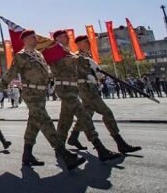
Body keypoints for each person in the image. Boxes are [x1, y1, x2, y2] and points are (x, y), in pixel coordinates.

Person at [1, 30, 85, 169]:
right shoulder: (21, 56)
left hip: (41, 93)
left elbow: (45, 71)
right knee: (46, 122)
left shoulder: (38, 54)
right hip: (30, 93)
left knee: (34, 123)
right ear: (26, 40)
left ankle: (27, 155)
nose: (36, 40)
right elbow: (12, 72)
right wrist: (0, 86)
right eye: (33, 38)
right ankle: (64, 154)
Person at [49, 30, 120, 162]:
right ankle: (100, 149)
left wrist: (90, 73)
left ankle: (60, 148)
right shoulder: (54, 51)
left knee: (65, 119)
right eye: (64, 36)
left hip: (72, 87)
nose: (67, 38)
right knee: (84, 116)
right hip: (64, 88)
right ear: (57, 38)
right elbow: (67, 63)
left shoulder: (67, 51)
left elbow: (75, 66)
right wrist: (84, 61)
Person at [68, 36, 141, 154]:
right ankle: (120, 143)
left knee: (87, 114)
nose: (88, 43)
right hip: (86, 88)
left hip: (91, 87)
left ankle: (73, 137)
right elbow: (78, 69)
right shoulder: (78, 57)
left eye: (88, 41)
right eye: (85, 42)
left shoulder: (88, 56)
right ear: (79, 44)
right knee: (107, 112)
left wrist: (98, 77)